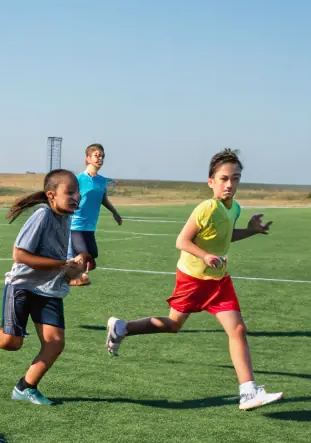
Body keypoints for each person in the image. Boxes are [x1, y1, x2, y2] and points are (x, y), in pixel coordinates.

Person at [104, 148, 283, 410]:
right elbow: (182, 241)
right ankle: (123, 328)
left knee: (238, 329)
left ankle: (248, 392)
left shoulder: (234, 208)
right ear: (211, 181)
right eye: (223, 178)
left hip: (219, 280)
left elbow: (225, 237)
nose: (230, 184)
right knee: (173, 324)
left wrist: (252, 231)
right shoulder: (206, 208)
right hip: (193, 279)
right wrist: (205, 255)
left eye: (235, 178)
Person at [0, 169, 87, 406]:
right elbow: (19, 254)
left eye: (78, 193)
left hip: (48, 290)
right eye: (70, 192)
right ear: (52, 195)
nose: (76, 197)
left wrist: (74, 272)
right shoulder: (42, 215)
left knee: (55, 342)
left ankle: (25, 387)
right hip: (22, 287)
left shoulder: (66, 218)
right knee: (10, 343)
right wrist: (62, 264)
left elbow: (59, 258)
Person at [68, 143, 124, 287]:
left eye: (102, 156)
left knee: (93, 255)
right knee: (83, 253)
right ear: (88, 158)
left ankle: (73, 268)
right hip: (76, 223)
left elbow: (103, 199)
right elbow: (69, 197)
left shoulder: (102, 181)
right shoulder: (78, 179)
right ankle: (73, 277)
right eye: (97, 155)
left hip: (90, 226)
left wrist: (115, 212)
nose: (100, 159)